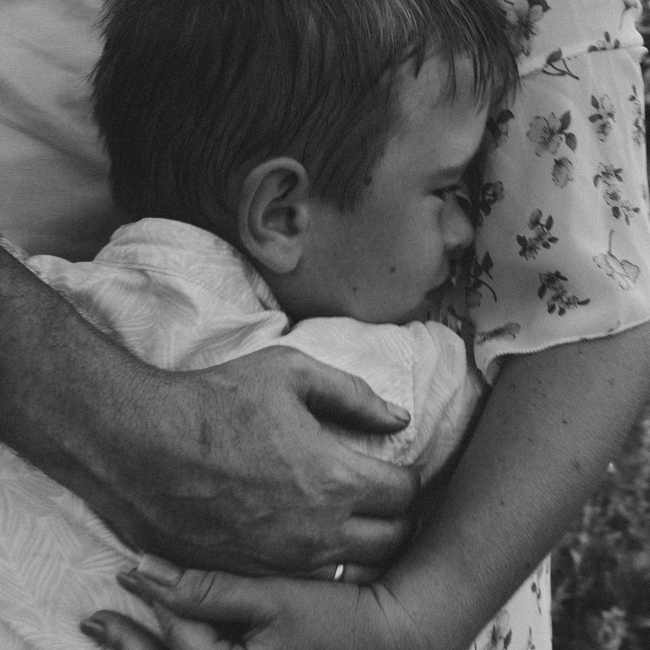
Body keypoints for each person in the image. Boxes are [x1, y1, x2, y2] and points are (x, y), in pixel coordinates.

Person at [0, 0, 648, 648]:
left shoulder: (45, 289)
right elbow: (574, 361)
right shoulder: (374, 377)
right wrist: (407, 617)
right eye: (446, 189)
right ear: (282, 215)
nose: (462, 230)